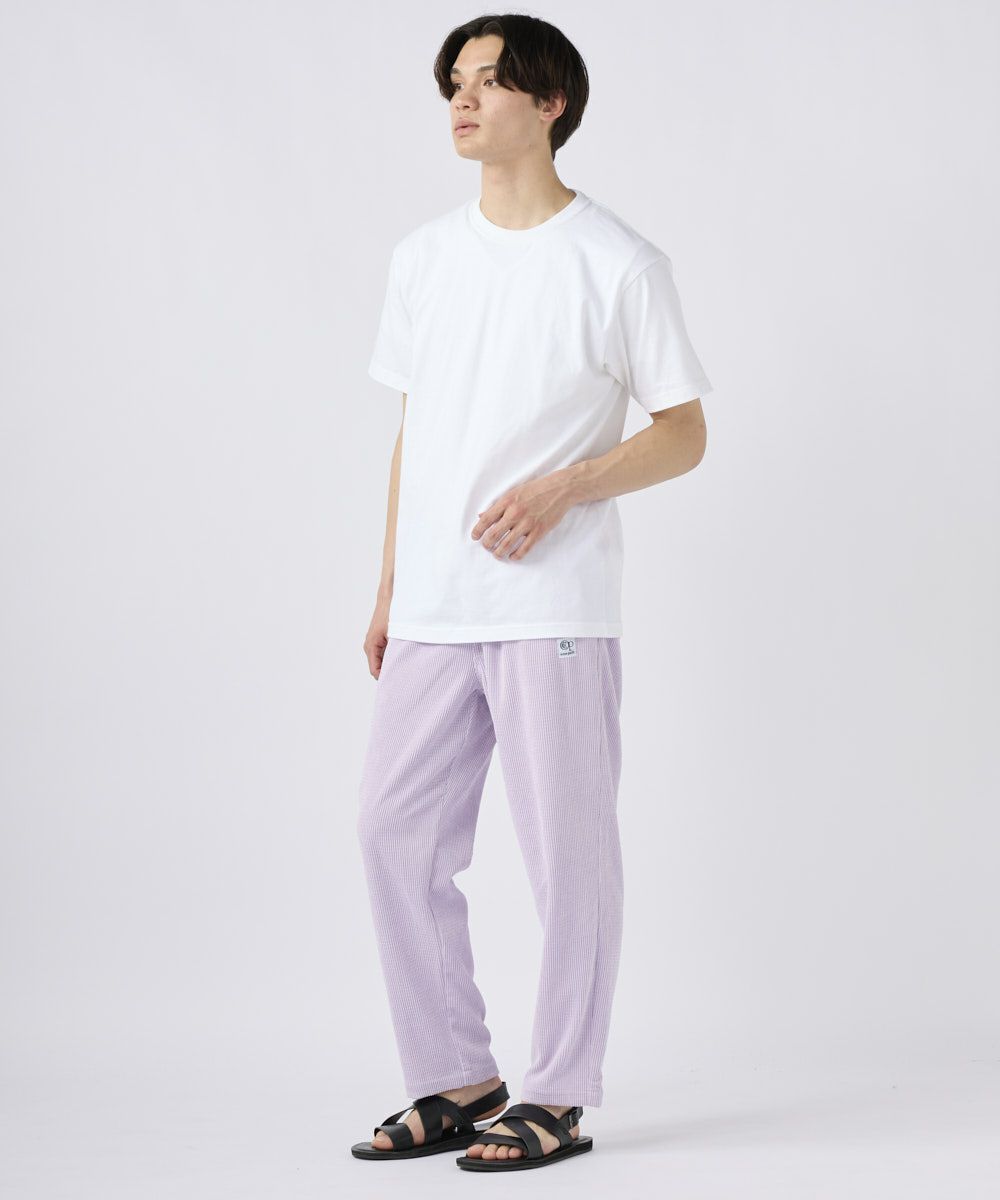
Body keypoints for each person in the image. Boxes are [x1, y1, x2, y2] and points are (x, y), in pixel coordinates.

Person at [351, 12, 713, 1172]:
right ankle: (457, 1073)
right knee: (392, 832)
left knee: (567, 856)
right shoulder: (422, 258)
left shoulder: (616, 262)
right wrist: (390, 584)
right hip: (434, 608)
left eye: (490, 81)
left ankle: (557, 1092)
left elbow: (684, 432)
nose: (462, 101)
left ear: (550, 103)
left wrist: (569, 485)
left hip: (553, 607)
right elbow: (417, 429)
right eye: (453, 82)